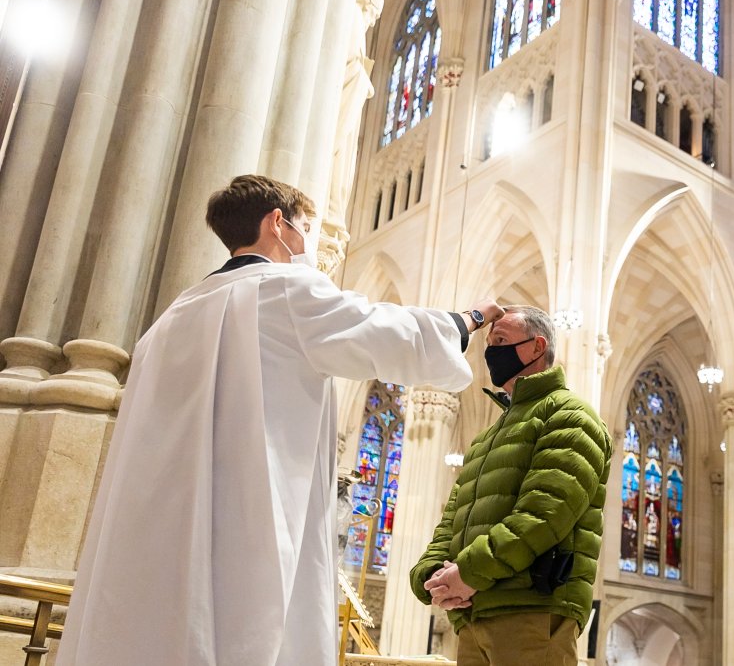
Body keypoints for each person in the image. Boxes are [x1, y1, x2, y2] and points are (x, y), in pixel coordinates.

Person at [58, 175, 503, 666]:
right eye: (305, 228)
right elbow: (384, 332)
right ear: (278, 223)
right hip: (241, 522)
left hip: (153, 531)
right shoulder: (285, 290)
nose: (307, 242)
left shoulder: (170, 319)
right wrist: (469, 319)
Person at [409, 305, 613, 666]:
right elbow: (453, 519)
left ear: (537, 347)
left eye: (500, 340)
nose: (491, 351)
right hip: (475, 612)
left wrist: (467, 573)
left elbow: (542, 516)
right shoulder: (487, 438)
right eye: (488, 343)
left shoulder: (570, 416)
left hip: (532, 609)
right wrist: (430, 576)